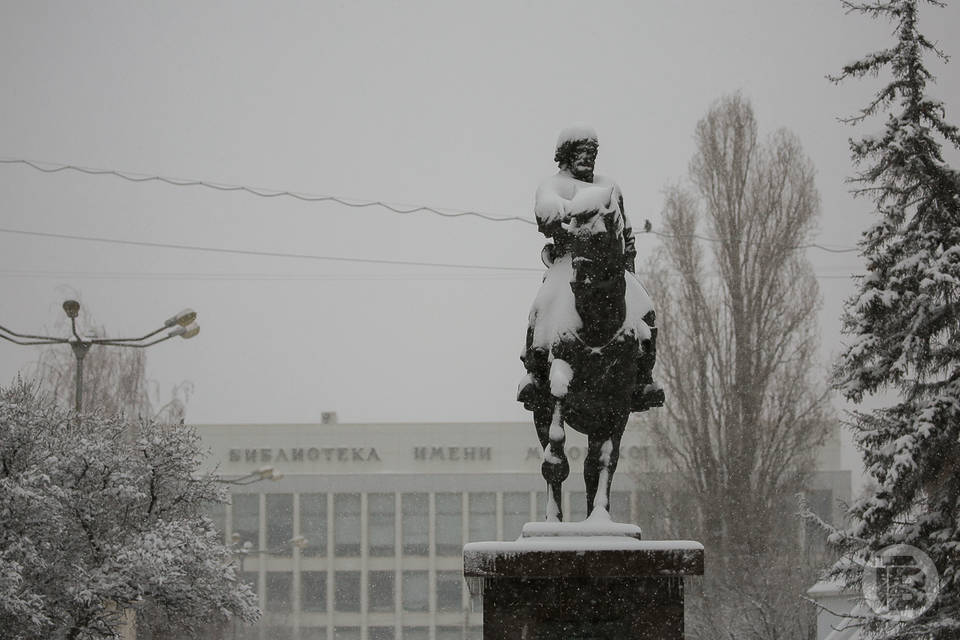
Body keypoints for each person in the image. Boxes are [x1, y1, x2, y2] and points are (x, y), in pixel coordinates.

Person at [520, 126, 663, 413]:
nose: (587, 158)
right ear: (567, 156)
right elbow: (545, 213)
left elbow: (627, 231)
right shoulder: (555, 185)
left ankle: (643, 381)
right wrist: (569, 210)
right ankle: (535, 378)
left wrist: (628, 266)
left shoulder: (610, 187)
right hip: (567, 261)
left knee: (646, 310)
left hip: (610, 264)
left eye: (591, 153)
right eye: (581, 153)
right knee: (543, 306)